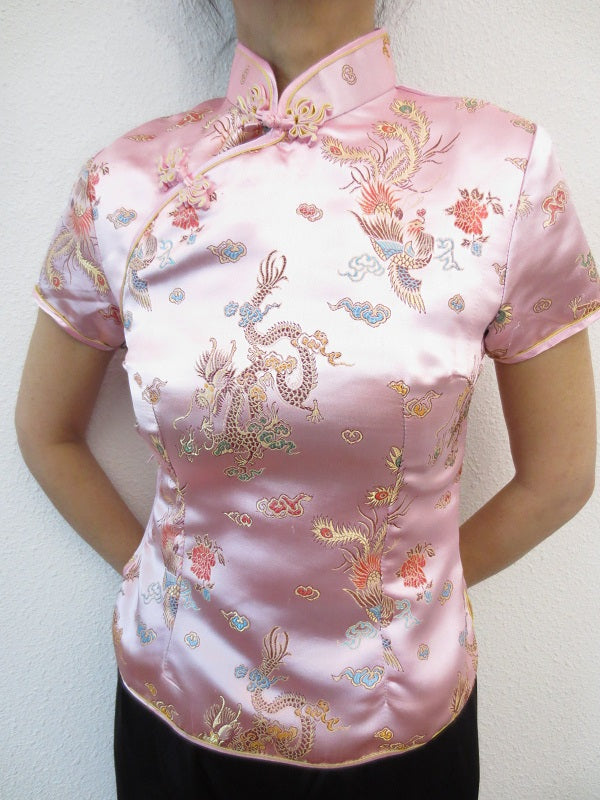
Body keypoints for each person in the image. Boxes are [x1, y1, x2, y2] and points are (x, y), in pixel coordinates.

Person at [14, 1, 599, 797]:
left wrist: (414, 598)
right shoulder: (127, 182)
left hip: (401, 725)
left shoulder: (500, 168)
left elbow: (560, 475)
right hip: (175, 704)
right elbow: (45, 428)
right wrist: (159, 580)